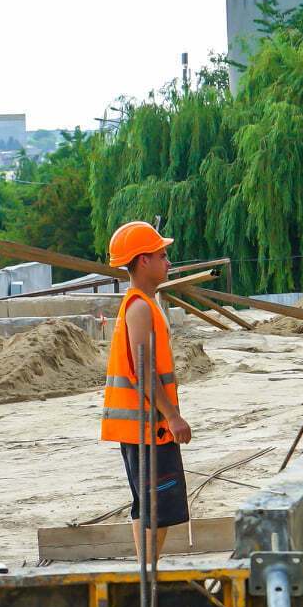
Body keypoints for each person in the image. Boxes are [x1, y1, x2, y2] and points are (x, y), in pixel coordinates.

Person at [100, 220, 193, 564]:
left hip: (140, 427)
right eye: (162, 255)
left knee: (147, 503)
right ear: (143, 261)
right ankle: (146, 574)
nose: (168, 262)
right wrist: (173, 417)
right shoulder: (140, 307)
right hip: (148, 429)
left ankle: (145, 571)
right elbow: (145, 370)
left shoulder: (142, 304)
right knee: (158, 504)